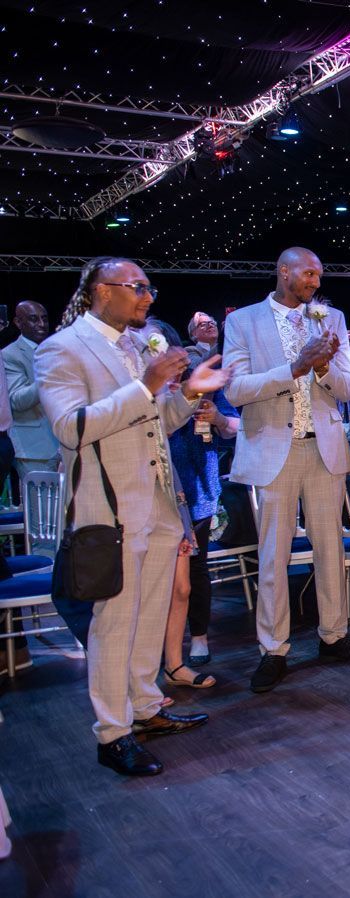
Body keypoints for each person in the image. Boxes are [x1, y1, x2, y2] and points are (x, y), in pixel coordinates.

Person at [39, 256, 231, 776]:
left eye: (149, 288)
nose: (148, 297)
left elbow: (157, 422)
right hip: (112, 506)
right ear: (103, 291)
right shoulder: (62, 349)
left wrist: (188, 392)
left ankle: (146, 707)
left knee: (150, 612)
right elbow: (71, 428)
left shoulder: (134, 346)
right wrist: (146, 385)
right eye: (138, 287)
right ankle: (112, 733)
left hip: (159, 502)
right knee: (114, 622)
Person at [224, 246, 350, 696]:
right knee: (273, 554)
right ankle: (274, 650)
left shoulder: (330, 320)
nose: (315, 282)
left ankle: (334, 636)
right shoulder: (243, 322)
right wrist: (294, 368)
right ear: (284, 272)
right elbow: (235, 391)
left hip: (324, 446)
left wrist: (324, 367)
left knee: (331, 548)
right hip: (273, 448)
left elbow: (349, 389)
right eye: (308, 274)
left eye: (319, 275)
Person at [152, 319, 240, 690]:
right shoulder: (143, 391)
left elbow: (235, 425)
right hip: (158, 488)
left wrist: (216, 418)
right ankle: (157, 656)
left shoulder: (198, 384)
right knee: (158, 580)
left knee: (193, 573)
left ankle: (198, 638)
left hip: (198, 484)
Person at [3, 300, 60, 478]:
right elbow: (16, 400)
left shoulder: (57, 348)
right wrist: (49, 377)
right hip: (35, 448)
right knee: (40, 498)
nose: (42, 324)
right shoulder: (10, 355)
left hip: (66, 442)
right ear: (18, 323)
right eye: (34, 319)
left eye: (45, 318)